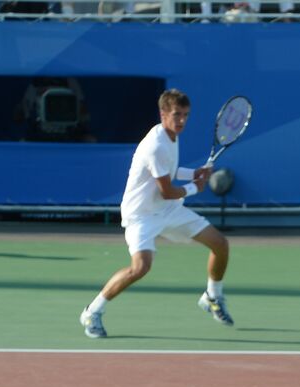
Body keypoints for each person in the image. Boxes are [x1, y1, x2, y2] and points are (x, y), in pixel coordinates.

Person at [79, 87, 232, 338]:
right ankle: (92, 312)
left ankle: (212, 296)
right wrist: (195, 187)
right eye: (177, 115)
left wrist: (192, 173)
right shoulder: (156, 145)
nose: (182, 120)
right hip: (142, 215)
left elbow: (168, 172)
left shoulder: (171, 135)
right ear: (163, 114)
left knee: (220, 244)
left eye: (186, 115)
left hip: (168, 210)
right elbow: (167, 191)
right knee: (140, 267)